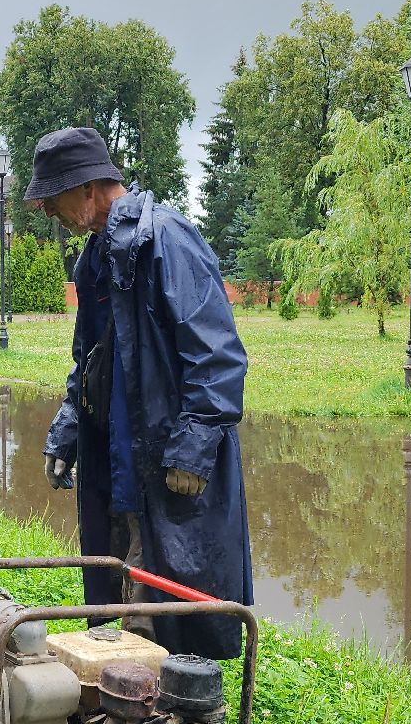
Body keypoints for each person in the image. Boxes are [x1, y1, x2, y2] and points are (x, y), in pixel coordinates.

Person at [30, 127, 253, 660]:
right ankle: (118, 721)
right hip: (114, 468)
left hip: (166, 467)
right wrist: (67, 429)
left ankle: (190, 721)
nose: (46, 212)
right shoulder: (96, 259)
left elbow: (218, 355)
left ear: (87, 189)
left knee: (174, 608)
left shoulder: (167, 240)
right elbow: (90, 359)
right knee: (116, 598)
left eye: (52, 196)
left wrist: (195, 445)